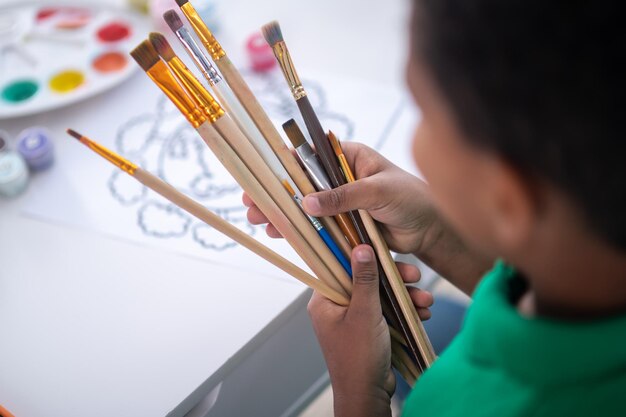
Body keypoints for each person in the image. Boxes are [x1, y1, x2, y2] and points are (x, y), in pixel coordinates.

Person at [244, 0, 626, 415]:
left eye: (423, 113)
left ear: (508, 199)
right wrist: (434, 230)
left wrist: (360, 394)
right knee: (439, 316)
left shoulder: (450, 405)